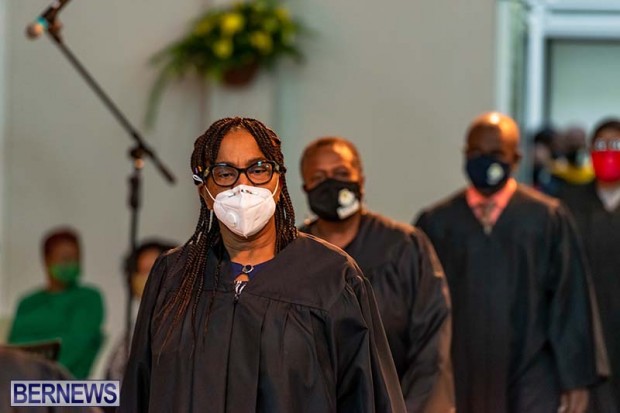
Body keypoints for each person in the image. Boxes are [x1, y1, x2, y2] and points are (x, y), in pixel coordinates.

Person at [119, 117, 406, 412]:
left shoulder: (331, 278)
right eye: (225, 173)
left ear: (278, 183)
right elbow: (138, 393)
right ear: (204, 190)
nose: (243, 186)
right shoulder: (173, 276)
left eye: (257, 170)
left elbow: (368, 398)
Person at [415, 112, 603, 413]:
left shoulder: (547, 218)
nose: (484, 160)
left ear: (515, 159)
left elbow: (569, 299)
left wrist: (575, 379)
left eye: (496, 153)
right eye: (476, 152)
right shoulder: (437, 223)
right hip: (460, 372)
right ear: (465, 154)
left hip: (532, 371)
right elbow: (420, 306)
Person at [298, 137, 453, 413]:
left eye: (341, 173)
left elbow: (431, 345)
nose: (331, 184)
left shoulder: (404, 247)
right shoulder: (292, 255)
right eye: (319, 177)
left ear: (361, 179)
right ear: (305, 188)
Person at [558, 118, 620, 412]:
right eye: (601, 145)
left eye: (616, 145)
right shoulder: (566, 205)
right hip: (584, 333)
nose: (609, 152)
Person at [8, 228, 104, 379]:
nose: (71, 263)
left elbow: (75, 347)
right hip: (23, 384)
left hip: (68, 385)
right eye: (64, 258)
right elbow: (14, 348)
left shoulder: (89, 298)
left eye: (76, 258)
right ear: (47, 260)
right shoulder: (27, 303)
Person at [105, 239, 176, 383]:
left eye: (152, 270)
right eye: (141, 272)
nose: (147, 278)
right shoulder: (139, 325)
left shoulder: (182, 324)